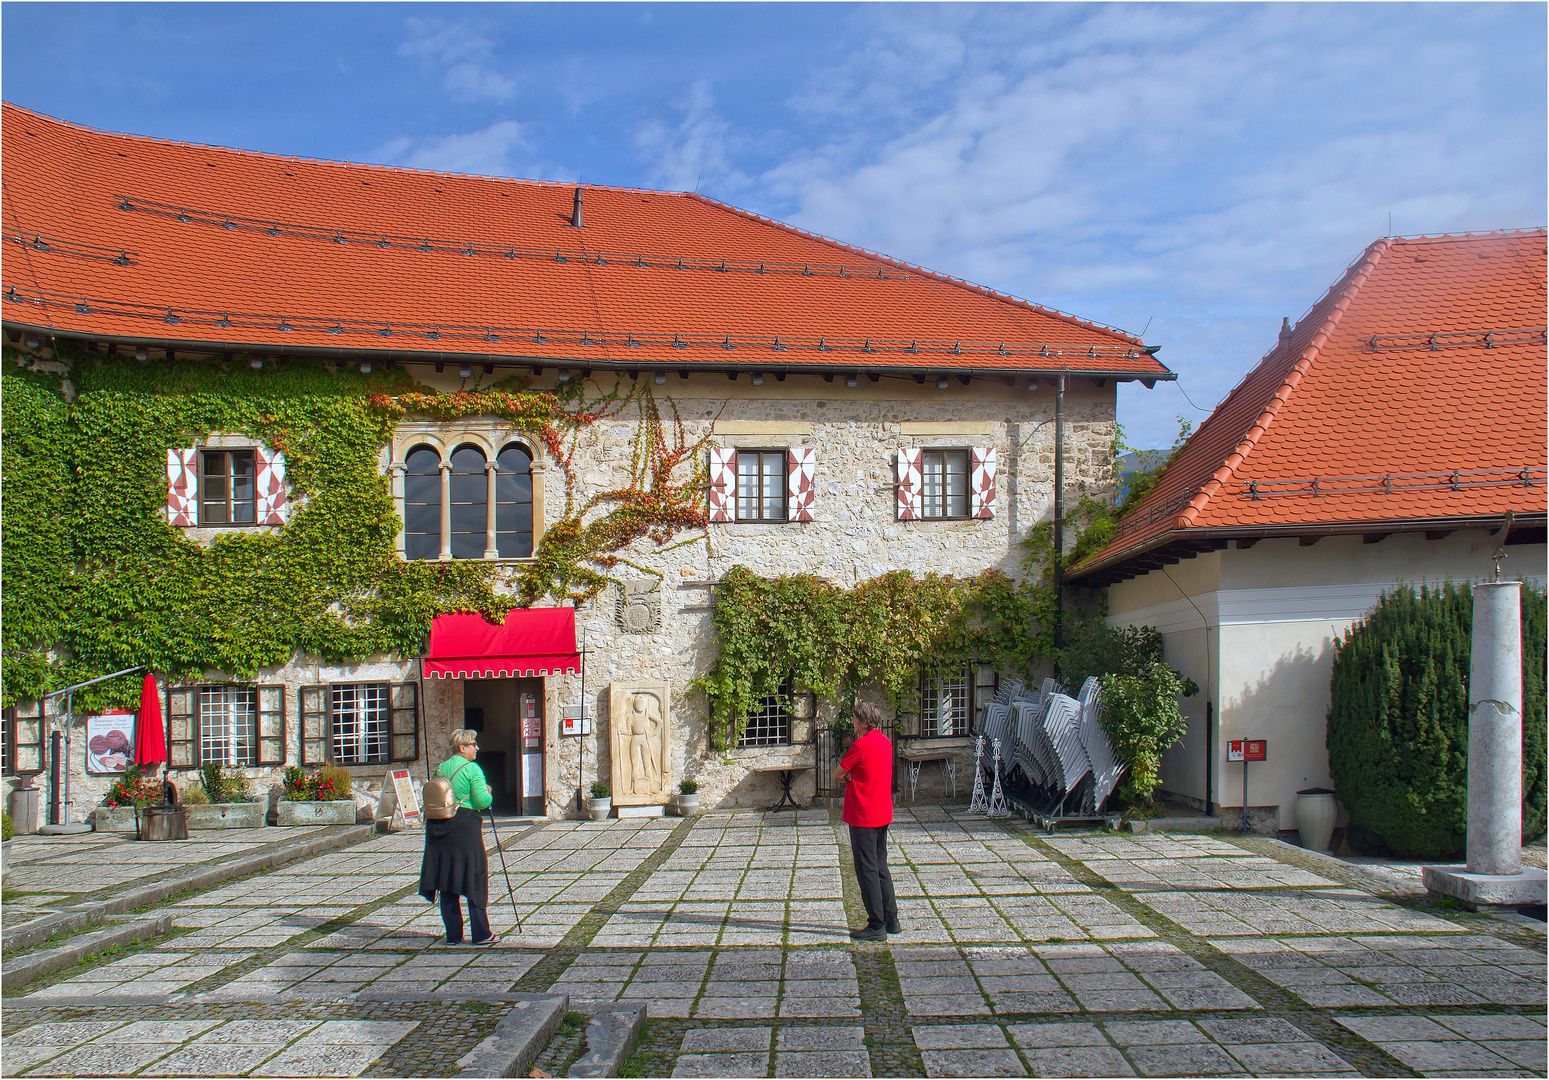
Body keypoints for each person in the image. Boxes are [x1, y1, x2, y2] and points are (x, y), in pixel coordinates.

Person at [419, 728, 499, 946]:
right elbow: (482, 802)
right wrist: (489, 790)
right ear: (463, 747)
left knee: (447, 880)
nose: (477, 748)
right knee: (474, 877)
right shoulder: (472, 769)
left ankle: (454, 935)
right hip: (465, 827)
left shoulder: (441, 769)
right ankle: (482, 933)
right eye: (473, 744)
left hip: (441, 828)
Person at [834, 701, 899, 941]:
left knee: (866, 869)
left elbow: (837, 773)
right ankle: (891, 919)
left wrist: (851, 778)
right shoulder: (885, 742)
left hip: (863, 814)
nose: (852, 723)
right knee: (881, 866)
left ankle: (876, 924)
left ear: (863, 722)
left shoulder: (860, 745)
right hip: (882, 812)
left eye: (854, 719)